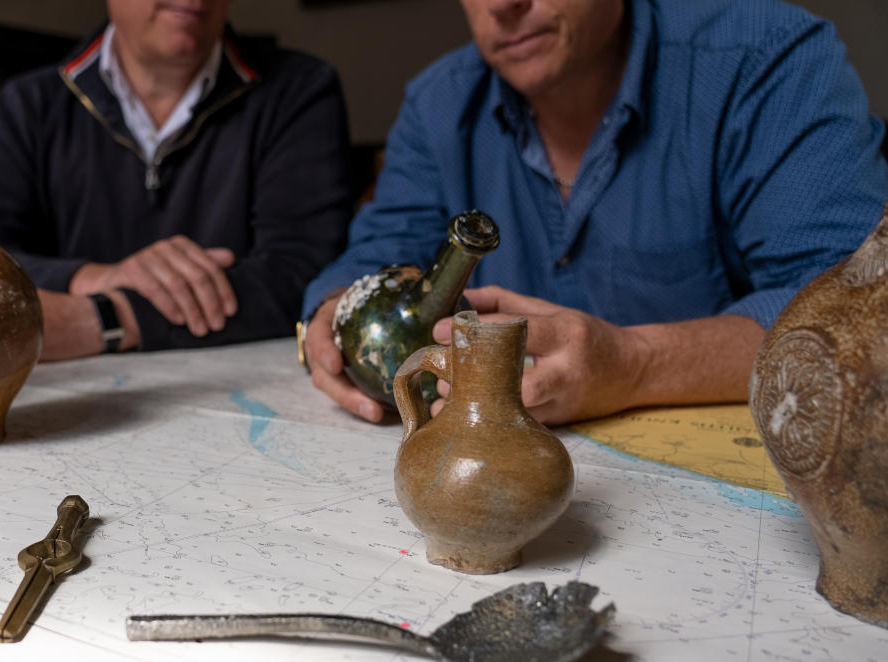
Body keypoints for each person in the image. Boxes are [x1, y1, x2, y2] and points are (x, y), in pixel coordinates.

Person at [301, 0, 888, 426]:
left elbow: (861, 312)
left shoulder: (766, 62)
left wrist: (633, 365)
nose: (502, 6)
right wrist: (329, 318)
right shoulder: (439, 104)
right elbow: (375, 255)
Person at [0, 1, 351, 360]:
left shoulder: (301, 89)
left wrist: (107, 317)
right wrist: (92, 277)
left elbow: (309, 274)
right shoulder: (28, 104)